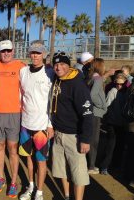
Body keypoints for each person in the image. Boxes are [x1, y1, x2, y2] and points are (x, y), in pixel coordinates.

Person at [50, 52, 93, 200]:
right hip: (58, 133)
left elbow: (87, 114)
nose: (58, 67)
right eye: (56, 64)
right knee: (61, 169)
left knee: (78, 173)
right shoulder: (57, 79)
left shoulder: (77, 84)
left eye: (62, 64)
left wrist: (86, 139)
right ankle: (67, 196)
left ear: (69, 65)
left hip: (74, 136)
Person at [0, 40, 25, 198]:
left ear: (13, 50)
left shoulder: (21, 67)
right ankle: (1, 178)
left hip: (14, 113)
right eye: (3, 51)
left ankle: (13, 182)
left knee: (12, 149)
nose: (6, 53)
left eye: (8, 50)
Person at [18, 41, 54, 200]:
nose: (35, 56)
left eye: (38, 53)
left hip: (42, 125)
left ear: (44, 54)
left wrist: (50, 124)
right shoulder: (23, 71)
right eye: (33, 52)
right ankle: (30, 186)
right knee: (28, 158)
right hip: (25, 124)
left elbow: (54, 102)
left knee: (41, 160)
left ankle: (39, 192)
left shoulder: (50, 72)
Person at [100, 73, 128, 175]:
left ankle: (116, 165)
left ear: (125, 83)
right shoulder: (112, 91)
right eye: (117, 83)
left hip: (122, 123)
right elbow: (106, 105)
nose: (119, 86)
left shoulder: (126, 92)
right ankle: (104, 166)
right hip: (113, 122)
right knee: (111, 145)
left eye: (121, 84)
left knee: (120, 146)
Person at [86, 58, 107, 174]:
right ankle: (91, 166)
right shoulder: (98, 78)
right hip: (95, 112)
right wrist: (101, 105)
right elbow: (93, 95)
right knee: (94, 140)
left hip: (89, 111)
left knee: (89, 138)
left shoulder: (90, 78)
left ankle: (90, 164)